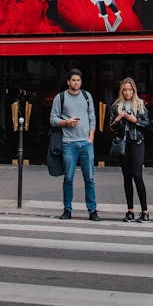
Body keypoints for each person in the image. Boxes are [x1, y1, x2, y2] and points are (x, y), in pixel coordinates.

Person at [50, 68, 99, 220]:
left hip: (86, 143)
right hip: (68, 143)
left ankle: (92, 211)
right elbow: (53, 119)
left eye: (78, 80)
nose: (76, 82)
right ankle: (67, 210)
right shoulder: (60, 97)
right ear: (68, 82)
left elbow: (92, 117)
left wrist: (90, 138)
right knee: (69, 178)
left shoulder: (87, 96)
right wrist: (66, 122)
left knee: (89, 178)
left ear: (81, 82)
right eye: (73, 80)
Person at [110, 77, 151, 222]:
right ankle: (130, 210)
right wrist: (118, 119)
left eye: (130, 89)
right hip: (123, 143)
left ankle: (145, 211)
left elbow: (147, 124)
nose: (127, 92)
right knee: (126, 177)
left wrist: (136, 121)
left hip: (137, 142)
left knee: (137, 175)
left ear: (134, 90)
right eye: (125, 90)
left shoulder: (140, 104)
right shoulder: (116, 106)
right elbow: (111, 127)